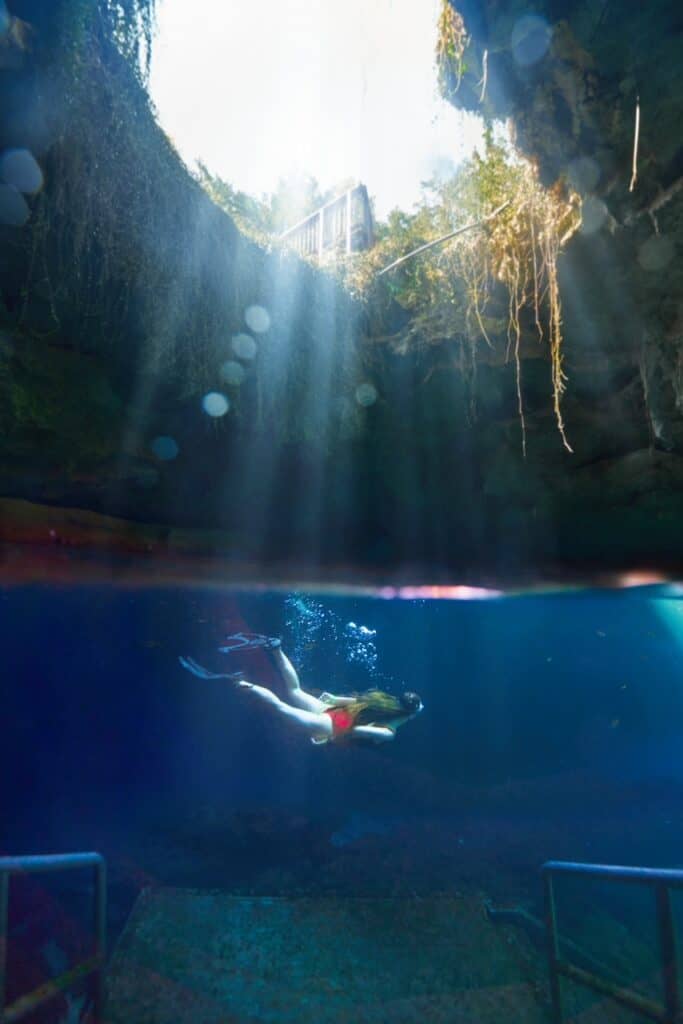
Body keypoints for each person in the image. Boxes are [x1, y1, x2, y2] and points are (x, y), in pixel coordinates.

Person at [180, 632, 423, 745]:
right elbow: (357, 730)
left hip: (333, 710)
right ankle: (242, 682)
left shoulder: (381, 699)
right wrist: (328, 737)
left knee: (294, 691)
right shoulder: (390, 731)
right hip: (334, 725)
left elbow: (356, 701)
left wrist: (333, 698)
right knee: (280, 708)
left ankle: (276, 648)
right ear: (408, 714)